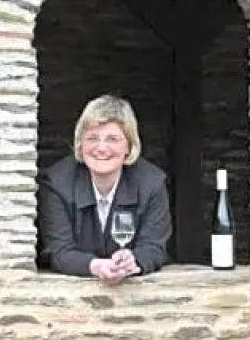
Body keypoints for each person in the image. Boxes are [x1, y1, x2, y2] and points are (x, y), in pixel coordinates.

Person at [37, 95, 171, 282]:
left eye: (113, 139)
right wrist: (96, 266)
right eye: (92, 138)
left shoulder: (152, 183)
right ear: (80, 144)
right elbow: (58, 250)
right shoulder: (56, 183)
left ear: (129, 146)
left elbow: (154, 246)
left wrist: (134, 261)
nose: (101, 148)